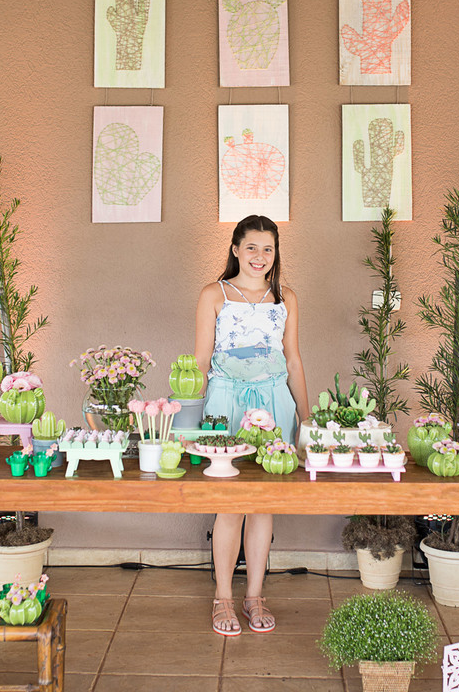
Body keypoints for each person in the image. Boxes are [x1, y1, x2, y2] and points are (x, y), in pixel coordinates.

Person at [194, 214, 309, 637]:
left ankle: (255, 595)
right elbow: (201, 361)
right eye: (252, 247)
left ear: (276, 253)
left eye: (268, 248)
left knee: (264, 501)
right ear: (235, 249)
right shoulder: (214, 294)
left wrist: (306, 419)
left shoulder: (286, 298)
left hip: (275, 402)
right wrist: (187, 417)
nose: (260, 256)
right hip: (225, 402)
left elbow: (292, 359)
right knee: (229, 502)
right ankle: (223, 597)